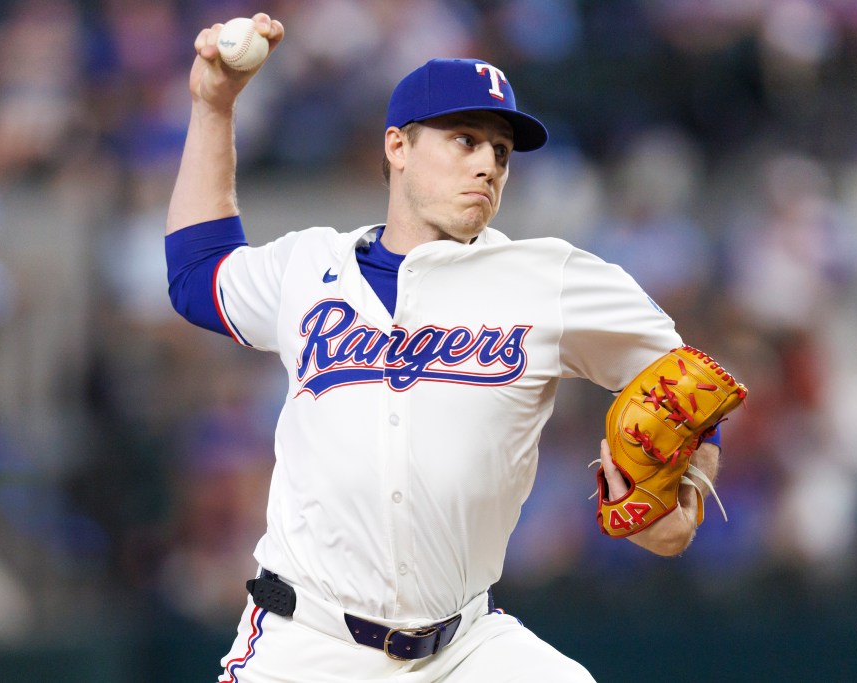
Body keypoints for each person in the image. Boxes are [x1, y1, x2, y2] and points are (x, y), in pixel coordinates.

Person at [165, 12, 722, 682]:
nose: (488, 163)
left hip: (466, 649)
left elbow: (691, 389)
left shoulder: (549, 278)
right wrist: (214, 104)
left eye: (501, 152)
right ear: (397, 146)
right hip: (306, 643)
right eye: (465, 139)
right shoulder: (308, 267)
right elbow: (196, 275)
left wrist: (683, 506)